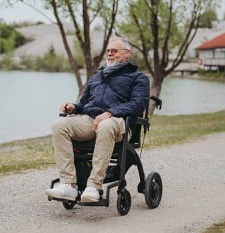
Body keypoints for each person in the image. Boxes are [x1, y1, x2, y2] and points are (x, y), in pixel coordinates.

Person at [45, 37, 150, 203]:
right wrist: (73, 107)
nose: (109, 54)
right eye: (108, 51)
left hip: (119, 122)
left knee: (106, 125)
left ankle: (94, 186)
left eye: (114, 51)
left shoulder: (138, 78)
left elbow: (138, 104)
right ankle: (69, 185)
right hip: (90, 120)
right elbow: (84, 102)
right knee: (59, 125)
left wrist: (110, 112)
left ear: (126, 54)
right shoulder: (96, 77)